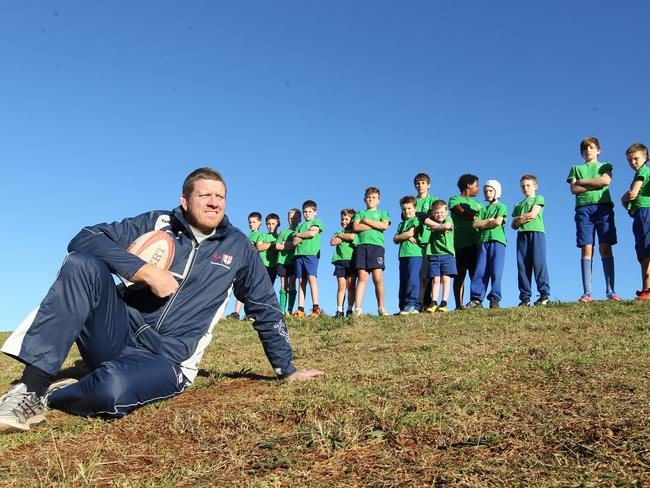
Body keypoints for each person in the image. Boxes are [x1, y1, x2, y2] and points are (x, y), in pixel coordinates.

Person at [0, 168, 324, 433]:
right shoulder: (158, 223)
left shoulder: (239, 247)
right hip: (117, 334)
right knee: (81, 264)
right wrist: (141, 270)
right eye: (205, 195)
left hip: (168, 359)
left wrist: (287, 368)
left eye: (221, 197)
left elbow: (265, 307)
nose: (214, 203)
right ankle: (31, 388)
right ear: (185, 200)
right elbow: (85, 238)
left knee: (110, 389)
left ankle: (59, 393)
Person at [567, 136, 619, 302]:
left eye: (591, 147)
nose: (588, 150)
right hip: (583, 210)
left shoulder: (605, 166)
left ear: (598, 150)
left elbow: (605, 180)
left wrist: (584, 182)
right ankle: (587, 292)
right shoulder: (575, 168)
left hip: (603, 208)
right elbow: (574, 189)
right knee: (587, 249)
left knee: (606, 248)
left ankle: (610, 291)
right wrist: (594, 183)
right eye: (585, 148)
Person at [466, 180, 508, 309]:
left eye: (490, 191)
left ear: (497, 192)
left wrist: (485, 223)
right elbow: (475, 224)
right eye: (485, 191)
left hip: (497, 242)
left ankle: (494, 298)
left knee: (496, 271)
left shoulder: (501, 207)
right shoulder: (483, 210)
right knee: (480, 270)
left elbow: (498, 222)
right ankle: (476, 299)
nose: (487, 194)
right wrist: (488, 221)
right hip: (483, 242)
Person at [512, 175, 551, 306]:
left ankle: (544, 295)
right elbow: (513, 224)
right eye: (523, 186)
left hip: (537, 233)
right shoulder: (518, 204)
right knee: (522, 266)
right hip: (522, 235)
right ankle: (525, 298)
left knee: (539, 263)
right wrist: (519, 220)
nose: (525, 188)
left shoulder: (539, 198)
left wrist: (520, 219)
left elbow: (532, 215)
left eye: (528, 185)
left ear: (535, 186)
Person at [352, 187, 391, 316]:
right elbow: (356, 227)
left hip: (377, 247)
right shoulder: (359, 213)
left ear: (378, 200)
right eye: (368, 197)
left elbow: (384, 225)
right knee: (362, 277)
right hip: (362, 247)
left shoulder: (382, 213)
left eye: (373, 197)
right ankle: (358, 309)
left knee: (377, 277)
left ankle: (381, 307)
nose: (371, 199)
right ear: (364, 199)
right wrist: (375, 225)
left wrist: (367, 222)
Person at [448, 174, 483, 310]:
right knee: (460, 275)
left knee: (475, 274)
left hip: (475, 243)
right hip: (459, 244)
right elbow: (460, 211)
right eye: (477, 185)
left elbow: (480, 217)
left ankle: (475, 302)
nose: (478, 189)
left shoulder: (479, 203)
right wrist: (472, 214)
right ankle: (459, 305)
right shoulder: (454, 199)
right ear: (468, 185)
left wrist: (472, 213)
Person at [621, 143, 650, 300]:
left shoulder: (644, 171)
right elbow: (624, 200)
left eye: (635, 159)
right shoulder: (639, 174)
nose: (633, 162)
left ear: (645, 158)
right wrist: (630, 207)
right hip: (639, 214)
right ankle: (646, 288)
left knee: (646, 247)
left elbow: (633, 192)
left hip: (646, 212)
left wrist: (632, 195)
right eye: (629, 160)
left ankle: (648, 288)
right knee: (641, 249)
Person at [228, 212, 263, 320]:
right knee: (241, 288)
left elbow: (258, 247)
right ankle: (236, 313)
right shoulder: (248, 236)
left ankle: (251, 313)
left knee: (251, 290)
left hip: (253, 265)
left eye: (254, 222)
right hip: (244, 265)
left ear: (259, 223)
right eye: (250, 222)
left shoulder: (259, 235)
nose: (251, 224)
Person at [423, 200, 456, 313]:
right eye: (436, 212)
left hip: (447, 254)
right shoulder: (431, 219)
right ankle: (434, 303)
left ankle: (444, 303)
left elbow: (446, 226)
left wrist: (436, 227)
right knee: (436, 280)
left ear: (446, 212)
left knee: (446, 279)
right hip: (434, 254)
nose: (439, 215)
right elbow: (426, 221)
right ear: (432, 213)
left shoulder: (449, 219)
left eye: (442, 212)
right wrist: (438, 226)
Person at [292, 200, 324, 318]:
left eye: (309, 211)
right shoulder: (300, 226)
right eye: (305, 212)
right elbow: (295, 241)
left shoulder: (317, 221)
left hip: (311, 254)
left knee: (312, 279)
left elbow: (312, 234)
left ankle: (316, 307)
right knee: (301, 281)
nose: (307, 214)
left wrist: (299, 235)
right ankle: (300, 308)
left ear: (315, 212)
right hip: (299, 254)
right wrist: (299, 236)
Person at [393, 196, 423, 314]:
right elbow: (395, 239)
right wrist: (403, 236)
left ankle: (413, 305)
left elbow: (411, 232)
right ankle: (403, 306)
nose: (407, 211)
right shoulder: (401, 224)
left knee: (412, 279)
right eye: (404, 209)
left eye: (409, 208)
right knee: (403, 281)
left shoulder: (416, 220)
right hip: (402, 255)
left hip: (414, 254)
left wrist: (404, 235)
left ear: (415, 208)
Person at [413, 173, 437, 310]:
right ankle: (417, 303)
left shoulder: (433, 200)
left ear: (429, 185)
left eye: (423, 182)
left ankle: (427, 303)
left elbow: (435, 216)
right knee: (417, 274)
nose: (420, 185)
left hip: (431, 241)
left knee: (429, 274)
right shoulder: (413, 202)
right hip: (415, 242)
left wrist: (423, 216)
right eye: (418, 183)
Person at [330, 209, 357, 318]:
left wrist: (341, 237)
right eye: (342, 219)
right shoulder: (338, 232)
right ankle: (339, 310)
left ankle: (350, 310)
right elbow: (332, 242)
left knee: (351, 287)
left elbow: (352, 237)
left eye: (346, 219)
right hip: (340, 261)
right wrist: (341, 236)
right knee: (341, 286)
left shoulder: (354, 232)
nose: (344, 221)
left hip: (352, 261)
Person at [275, 209, 301, 315]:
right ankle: (282, 310)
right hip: (282, 261)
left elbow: (297, 244)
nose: (292, 220)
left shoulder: (299, 232)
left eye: (294, 218)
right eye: (290, 217)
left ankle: (290, 310)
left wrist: (285, 245)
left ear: (299, 220)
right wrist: (289, 245)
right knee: (283, 284)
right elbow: (277, 246)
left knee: (292, 284)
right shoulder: (283, 232)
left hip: (294, 261)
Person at [255, 213, 280, 284]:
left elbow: (278, 249)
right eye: (268, 224)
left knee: (269, 288)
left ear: (278, 224)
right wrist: (273, 244)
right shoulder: (262, 236)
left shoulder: (279, 237)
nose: (271, 226)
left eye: (273, 223)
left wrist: (266, 245)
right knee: (258, 287)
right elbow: (259, 247)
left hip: (273, 266)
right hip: (261, 265)